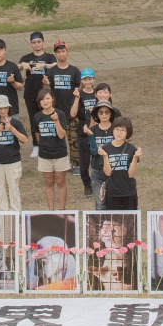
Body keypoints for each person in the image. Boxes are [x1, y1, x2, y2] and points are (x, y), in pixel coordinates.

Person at [0, 95, 29, 211]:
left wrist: (12, 130)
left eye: (5, 108)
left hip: (13, 161)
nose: (3, 111)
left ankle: (15, 214)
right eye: (0, 109)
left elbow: (25, 140)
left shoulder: (16, 123)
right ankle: (4, 216)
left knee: (14, 190)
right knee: (0, 191)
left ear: (9, 108)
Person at [19, 31, 57, 154]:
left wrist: (44, 66)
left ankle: (49, 142)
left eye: (39, 42)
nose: (36, 44)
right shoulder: (26, 57)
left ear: (43, 42)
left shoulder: (49, 56)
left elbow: (56, 65)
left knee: (48, 118)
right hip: (30, 94)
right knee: (33, 120)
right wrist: (23, 65)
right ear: (30, 44)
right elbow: (17, 67)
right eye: (34, 42)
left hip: (45, 94)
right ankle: (36, 145)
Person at [47, 41, 81, 173]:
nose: (61, 54)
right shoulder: (51, 72)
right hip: (57, 113)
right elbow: (47, 93)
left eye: (63, 51)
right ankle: (60, 164)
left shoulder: (74, 70)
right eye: (58, 52)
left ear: (67, 52)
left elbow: (79, 89)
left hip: (72, 112)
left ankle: (76, 164)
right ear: (55, 54)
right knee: (57, 140)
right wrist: (45, 84)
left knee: (74, 140)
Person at [33, 88, 70, 209]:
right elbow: (37, 134)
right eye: (42, 99)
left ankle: (62, 209)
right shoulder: (37, 116)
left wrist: (56, 121)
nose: (45, 101)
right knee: (49, 182)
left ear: (53, 99)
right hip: (44, 155)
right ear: (39, 102)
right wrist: (43, 146)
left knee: (60, 182)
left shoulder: (60, 114)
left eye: (47, 98)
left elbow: (61, 135)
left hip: (60, 153)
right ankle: (51, 209)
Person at [101, 117, 141, 210]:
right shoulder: (105, 148)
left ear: (128, 132)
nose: (119, 133)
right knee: (114, 221)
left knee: (130, 222)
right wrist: (105, 156)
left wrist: (135, 158)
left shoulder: (132, 149)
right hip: (112, 192)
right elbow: (108, 173)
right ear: (113, 130)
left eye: (122, 130)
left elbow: (131, 174)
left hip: (129, 191)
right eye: (117, 129)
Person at [71, 68, 100, 198]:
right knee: (84, 164)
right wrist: (77, 98)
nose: (88, 81)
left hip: (97, 133)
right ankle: (87, 186)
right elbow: (72, 114)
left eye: (90, 79)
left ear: (93, 79)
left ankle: (99, 183)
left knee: (99, 161)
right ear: (82, 80)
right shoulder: (79, 94)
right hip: (82, 133)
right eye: (85, 79)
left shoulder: (98, 94)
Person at [89, 100, 117, 210]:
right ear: (96, 114)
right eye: (101, 112)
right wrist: (91, 137)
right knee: (100, 203)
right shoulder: (92, 130)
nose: (104, 114)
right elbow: (93, 152)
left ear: (111, 114)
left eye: (107, 112)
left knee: (114, 202)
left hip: (114, 170)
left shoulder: (116, 130)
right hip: (97, 171)